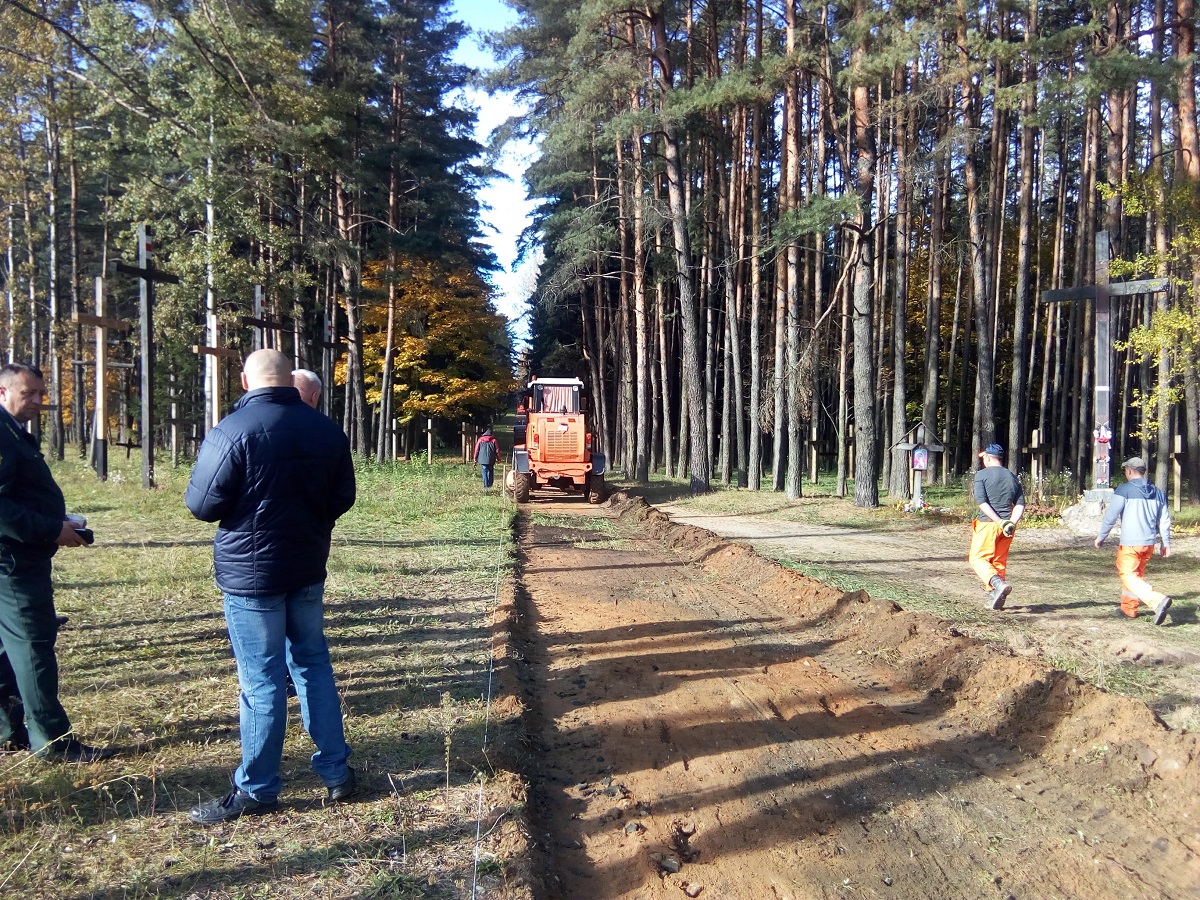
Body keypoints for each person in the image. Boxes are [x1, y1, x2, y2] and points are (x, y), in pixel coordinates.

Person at [185, 349, 357, 824]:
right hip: (304, 566)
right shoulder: (326, 430)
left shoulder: (231, 432)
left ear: (245, 380)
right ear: (290, 381)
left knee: (261, 681)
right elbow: (343, 495)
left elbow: (201, 504)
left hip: (252, 577)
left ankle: (258, 789)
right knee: (313, 665)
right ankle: (336, 772)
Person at [0, 363, 114, 762]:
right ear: (3, 392)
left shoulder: (13, 432)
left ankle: (9, 727)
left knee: (6, 647)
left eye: (40, 394)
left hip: (17, 556)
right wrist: (50, 530)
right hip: (13, 563)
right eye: (27, 394)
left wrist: (59, 522)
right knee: (33, 646)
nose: (36, 402)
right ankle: (52, 742)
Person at [1095, 456, 1172, 625]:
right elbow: (1165, 520)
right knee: (1135, 575)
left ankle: (1156, 600)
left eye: (1125, 471)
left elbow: (1111, 516)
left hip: (1130, 543)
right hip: (1148, 544)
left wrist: (1101, 537)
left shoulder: (1124, 490)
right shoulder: (1158, 492)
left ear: (1129, 471)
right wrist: (1165, 543)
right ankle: (1129, 609)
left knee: (1127, 574)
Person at [969, 443, 1025, 611]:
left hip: (988, 524)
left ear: (987, 457)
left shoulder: (981, 475)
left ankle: (996, 584)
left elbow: (982, 502)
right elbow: (1020, 504)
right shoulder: (1012, 476)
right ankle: (995, 596)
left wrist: (998, 521)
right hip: (1008, 527)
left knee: (978, 558)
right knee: (998, 561)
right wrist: (1010, 523)